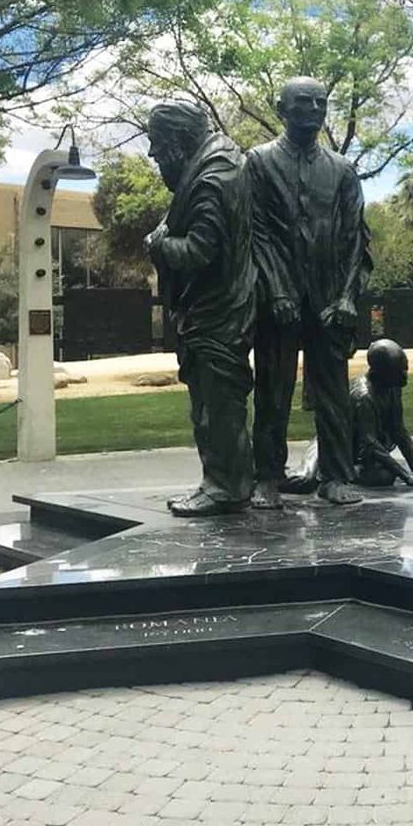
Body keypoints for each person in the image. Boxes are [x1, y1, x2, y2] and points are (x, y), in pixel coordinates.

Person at [247, 76, 371, 508]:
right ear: (281, 108)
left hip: (329, 299)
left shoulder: (341, 170)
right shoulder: (258, 163)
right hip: (276, 297)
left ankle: (335, 476)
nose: (314, 110)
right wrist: (277, 290)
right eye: (304, 102)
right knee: (272, 391)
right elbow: (255, 233)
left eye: (321, 103)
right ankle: (266, 476)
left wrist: (347, 298)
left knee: (333, 393)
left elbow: (356, 237)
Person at [145, 102, 255, 516]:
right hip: (212, 310)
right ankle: (223, 480)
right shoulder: (216, 168)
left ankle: (226, 486)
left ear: (179, 141)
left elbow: (198, 250)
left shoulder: (212, 179)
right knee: (212, 404)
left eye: (156, 143)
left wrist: (158, 245)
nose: (153, 154)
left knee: (217, 406)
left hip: (218, 313)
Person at [296, 339, 413, 489]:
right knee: (305, 480)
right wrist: (407, 477)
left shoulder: (392, 387)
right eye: (399, 371)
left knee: (384, 476)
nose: (405, 376)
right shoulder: (363, 397)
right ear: (382, 373)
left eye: (405, 369)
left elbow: (398, 430)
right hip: (332, 447)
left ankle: (352, 471)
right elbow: (369, 444)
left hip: (360, 453)